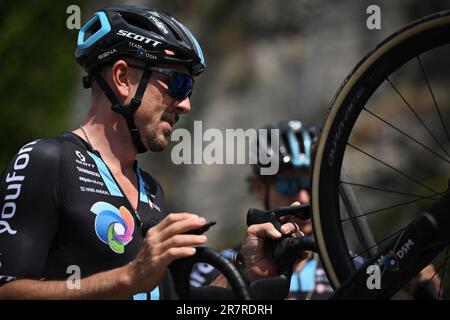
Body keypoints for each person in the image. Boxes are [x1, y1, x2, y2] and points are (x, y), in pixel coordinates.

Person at [0, 6, 300, 300]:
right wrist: (129, 278)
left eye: (190, 90)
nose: (185, 105)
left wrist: (245, 268)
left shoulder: (151, 190)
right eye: (177, 83)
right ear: (121, 78)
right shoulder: (47, 161)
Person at [191, 120, 334, 299]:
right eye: (289, 185)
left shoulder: (348, 263)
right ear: (259, 188)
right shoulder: (212, 266)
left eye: (310, 185)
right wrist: (244, 273)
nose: (304, 198)